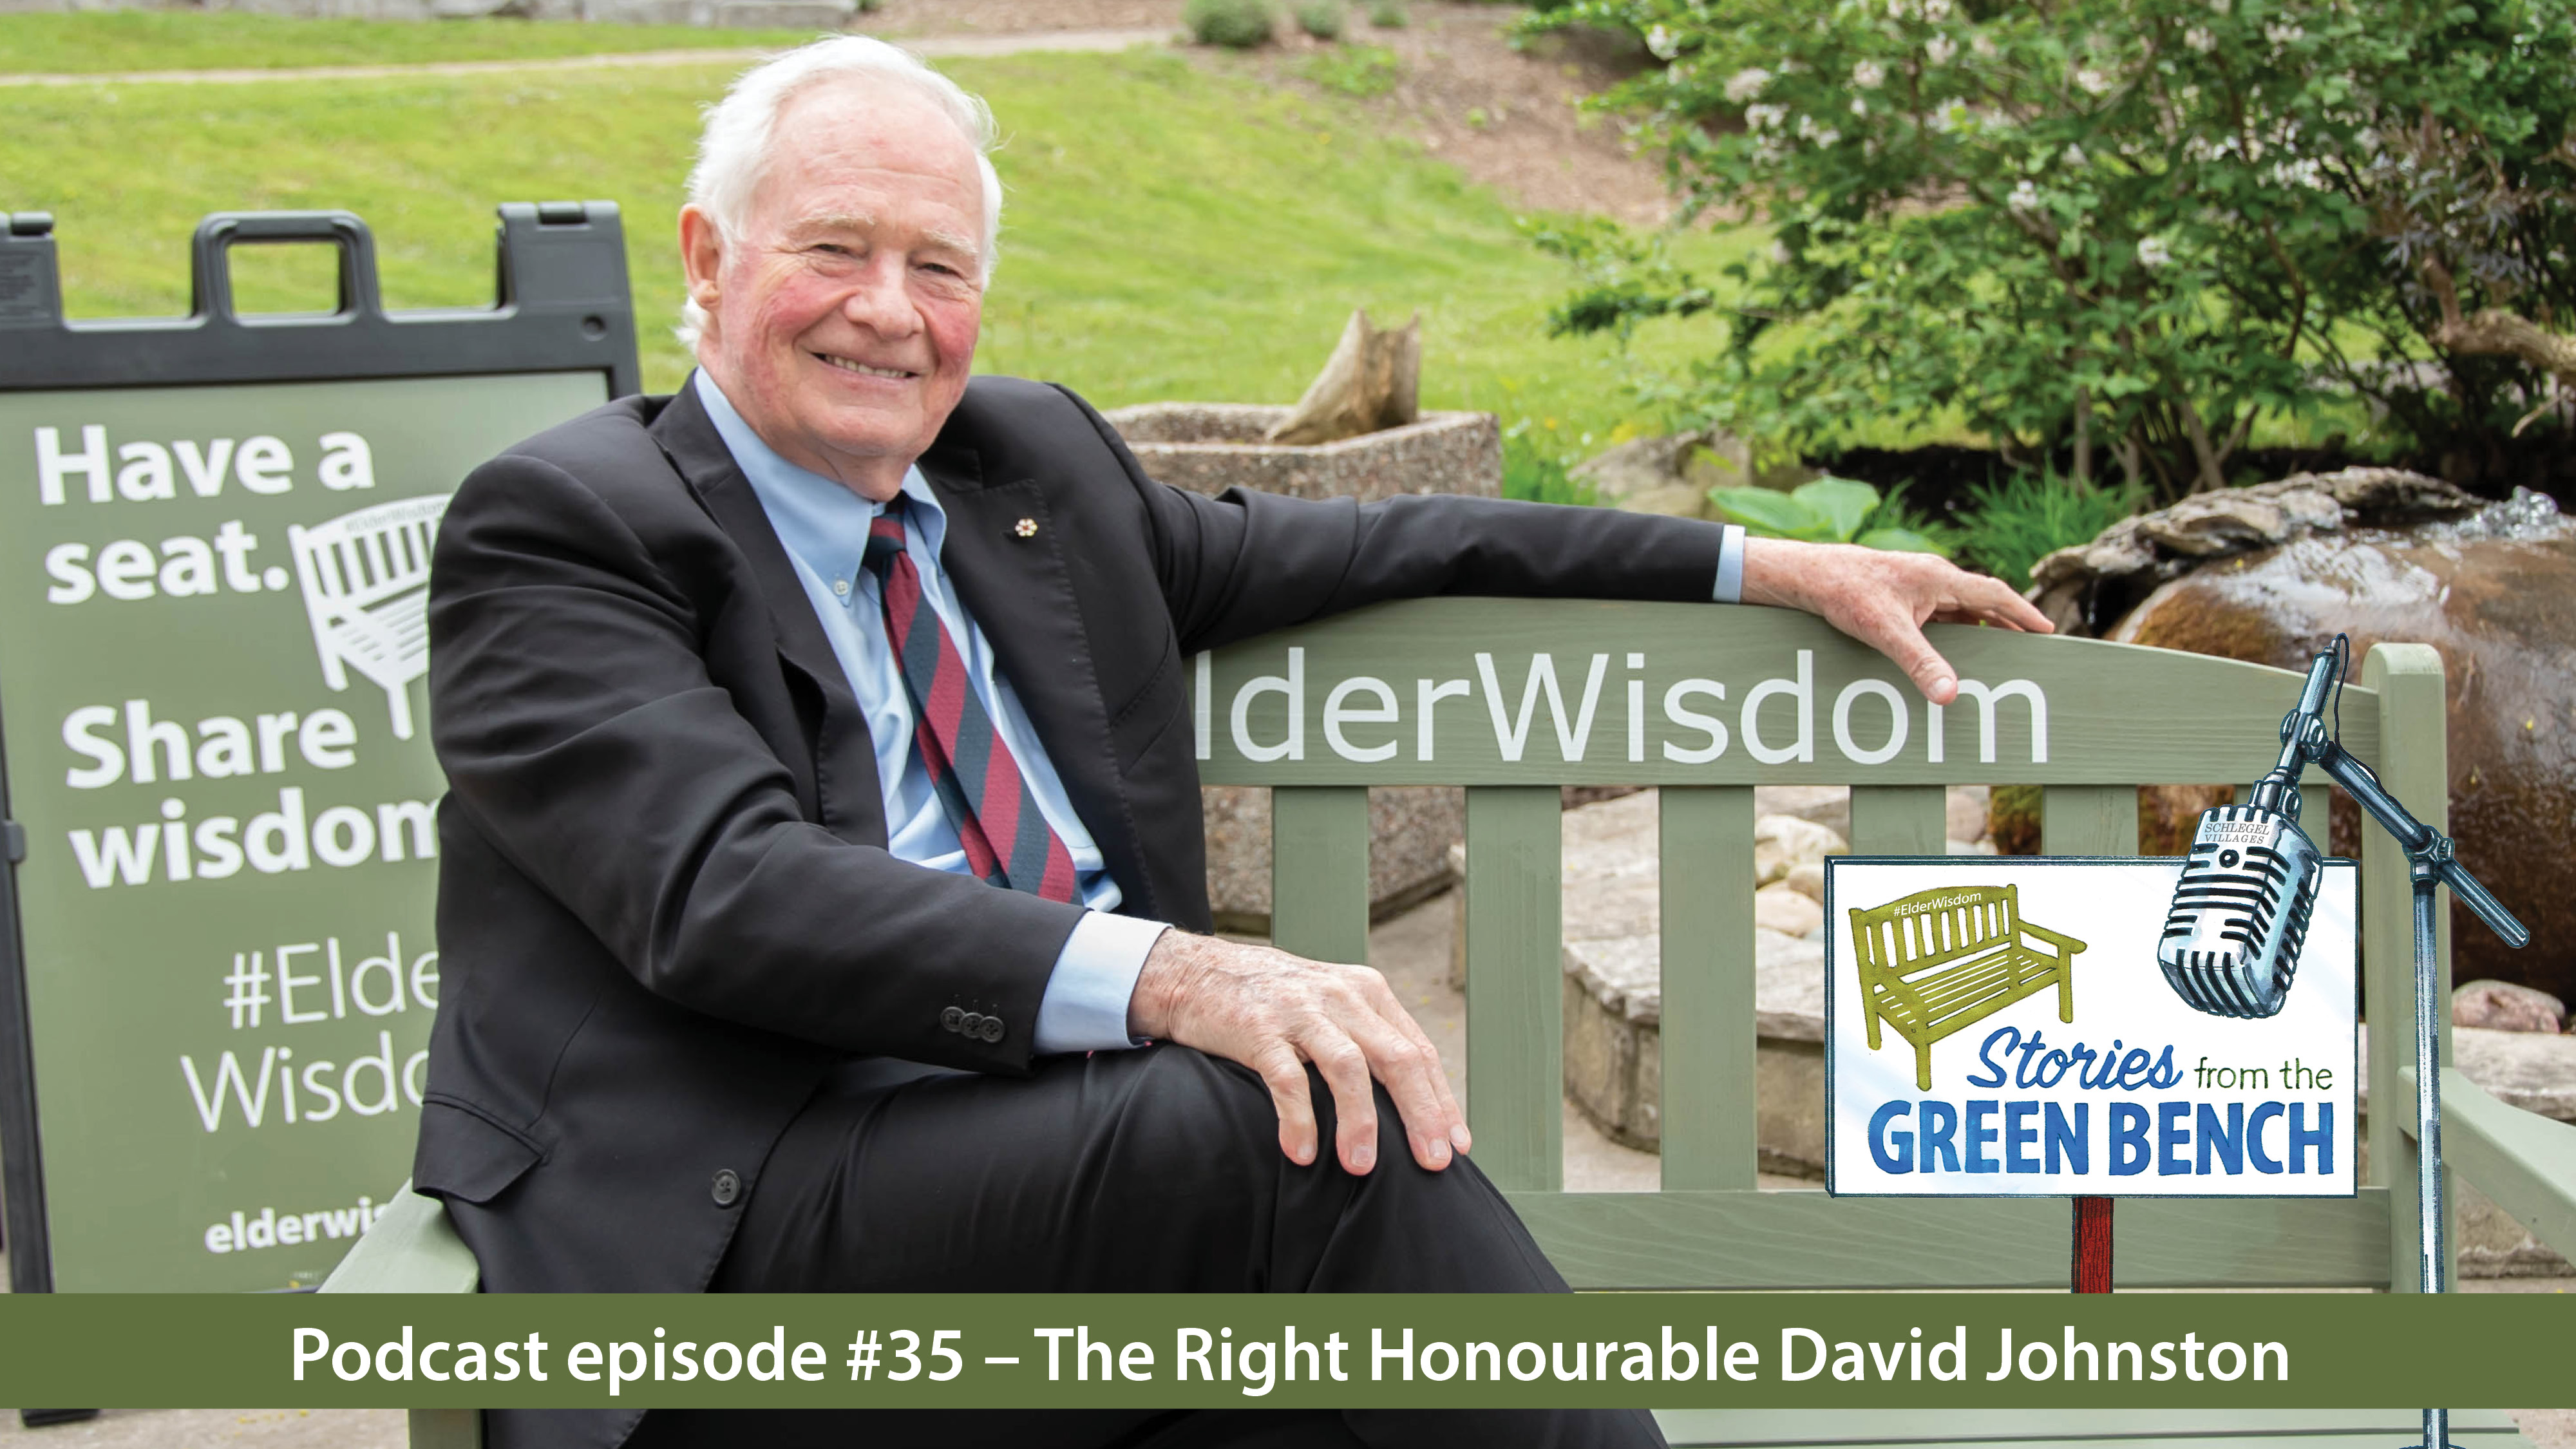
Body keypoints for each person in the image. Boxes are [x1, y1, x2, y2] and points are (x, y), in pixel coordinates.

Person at [412, 35, 2052, 1449]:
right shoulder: (569, 526)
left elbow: (1387, 543)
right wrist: (1179, 973)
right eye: (833, 249)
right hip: (752, 1235)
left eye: (941, 266)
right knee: (1289, 1120)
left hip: (1072, 1212)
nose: (889, 314)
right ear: (705, 259)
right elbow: (724, 889)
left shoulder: (1023, 472)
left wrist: (1756, 563)